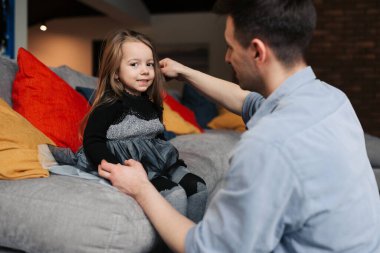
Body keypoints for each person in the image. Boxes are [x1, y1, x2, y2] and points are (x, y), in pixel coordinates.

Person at [98, 1, 380, 252]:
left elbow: (204, 248)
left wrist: (141, 189)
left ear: (257, 51)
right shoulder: (331, 99)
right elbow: (246, 101)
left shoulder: (267, 145)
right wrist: (185, 72)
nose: (226, 57)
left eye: (230, 47)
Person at [46, 29, 207, 222]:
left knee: (198, 187)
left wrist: (174, 163)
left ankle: (194, 239)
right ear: (115, 72)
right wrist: (115, 167)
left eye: (149, 64)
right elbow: (92, 140)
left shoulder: (152, 103)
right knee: (174, 195)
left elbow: (158, 139)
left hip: (155, 161)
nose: (145, 70)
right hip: (127, 164)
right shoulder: (111, 104)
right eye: (134, 64)